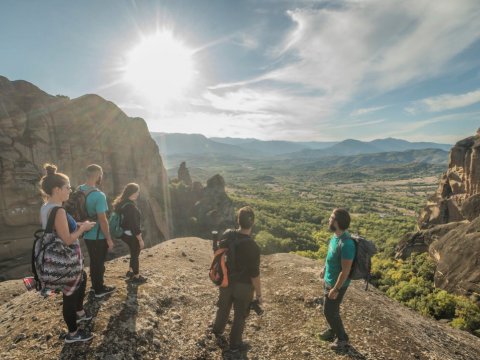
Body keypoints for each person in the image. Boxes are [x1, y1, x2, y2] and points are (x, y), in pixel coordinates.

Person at [39, 163, 96, 343]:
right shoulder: (59, 210)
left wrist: (76, 225)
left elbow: (55, 230)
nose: (70, 190)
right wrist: (83, 228)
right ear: (57, 189)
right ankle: (73, 334)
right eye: (67, 187)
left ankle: (80, 312)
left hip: (60, 258)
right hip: (67, 260)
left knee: (83, 277)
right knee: (69, 295)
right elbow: (68, 240)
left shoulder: (46, 207)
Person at [212, 206, 262, 353]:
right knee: (240, 315)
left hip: (226, 280)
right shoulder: (254, 247)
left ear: (238, 221)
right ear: (252, 223)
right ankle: (235, 344)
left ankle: (217, 330)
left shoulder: (228, 235)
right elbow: (255, 274)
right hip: (244, 287)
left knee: (223, 307)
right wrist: (258, 294)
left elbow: (219, 251)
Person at [319, 208, 356, 351]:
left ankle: (342, 339)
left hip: (337, 284)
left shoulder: (347, 244)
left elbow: (345, 271)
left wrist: (336, 289)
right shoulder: (335, 237)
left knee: (329, 311)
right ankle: (331, 330)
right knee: (330, 310)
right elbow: (330, 257)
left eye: (331, 217)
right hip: (329, 280)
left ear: (337, 222)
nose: (329, 219)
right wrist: (324, 268)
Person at [79, 164, 116, 298]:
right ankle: (99, 289)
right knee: (99, 262)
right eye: (101, 174)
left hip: (86, 233)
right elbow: (103, 220)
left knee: (94, 261)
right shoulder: (99, 195)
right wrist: (109, 238)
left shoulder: (79, 190)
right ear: (97, 175)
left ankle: (95, 287)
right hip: (98, 235)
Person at [111, 183, 147, 284]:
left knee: (133, 252)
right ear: (133, 193)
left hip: (124, 233)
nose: (138, 194)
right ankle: (136, 276)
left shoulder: (122, 202)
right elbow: (134, 226)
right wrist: (140, 239)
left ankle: (130, 272)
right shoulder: (130, 207)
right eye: (137, 192)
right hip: (131, 234)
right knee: (135, 254)